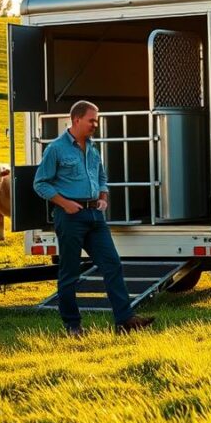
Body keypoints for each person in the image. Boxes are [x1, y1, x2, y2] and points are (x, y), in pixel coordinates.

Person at [34, 100, 153, 336]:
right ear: (76, 119)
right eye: (92, 120)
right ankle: (73, 326)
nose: (95, 125)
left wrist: (103, 197)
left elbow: (101, 177)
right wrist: (65, 204)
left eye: (96, 120)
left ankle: (124, 321)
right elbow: (40, 183)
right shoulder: (56, 149)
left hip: (95, 216)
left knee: (112, 264)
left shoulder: (93, 148)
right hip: (70, 216)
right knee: (70, 272)